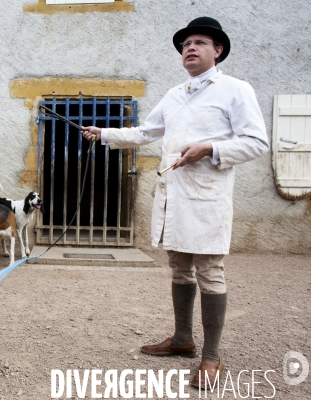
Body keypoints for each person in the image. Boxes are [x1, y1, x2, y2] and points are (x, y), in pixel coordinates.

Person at [81, 17, 269, 388]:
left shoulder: (235, 90)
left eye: (200, 43)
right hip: (173, 197)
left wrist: (210, 148)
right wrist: (103, 133)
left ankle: (211, 357)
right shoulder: (174, 94)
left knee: (210, 271)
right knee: (179, 268)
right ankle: (183, 339)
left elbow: (257, 142)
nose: (190, 48)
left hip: (207, 198)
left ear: (217, 51)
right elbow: (146, 132)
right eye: (185, 44)